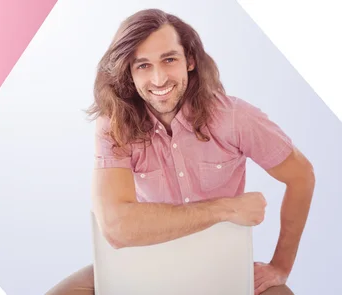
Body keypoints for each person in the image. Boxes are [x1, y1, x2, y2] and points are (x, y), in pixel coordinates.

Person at [46, 8, 315, 295]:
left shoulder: (234, 117)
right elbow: (115, 226)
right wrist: (226, 208)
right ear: (128, 72)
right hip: (143, 260)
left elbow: (301, 176)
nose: (159, 79)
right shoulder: (114, 125)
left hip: (220, 265)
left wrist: (280, 266)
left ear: (189, 61)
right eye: (143, 66)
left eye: (169, 60)